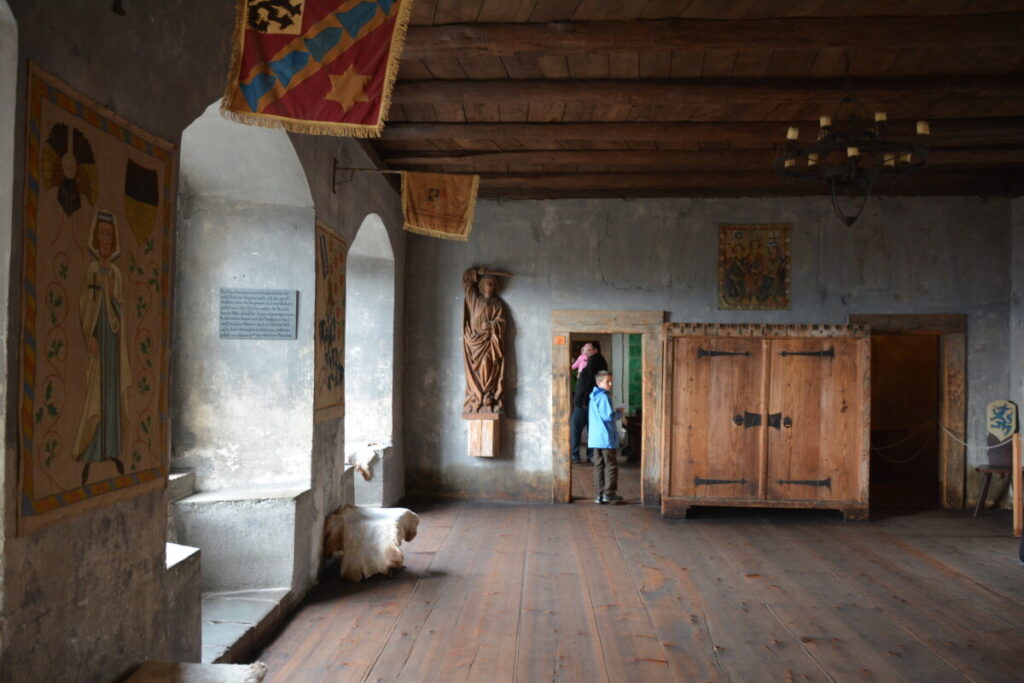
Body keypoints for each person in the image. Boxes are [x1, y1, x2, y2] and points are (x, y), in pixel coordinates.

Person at [73, 208, 132, 485]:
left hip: (114, 339)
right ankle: (91, 452)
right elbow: (85, 305)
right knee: (96, 395)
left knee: (111, 395)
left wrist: (113, 300)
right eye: (102, 234)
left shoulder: (116, 274)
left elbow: (121, 309)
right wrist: (90, 337)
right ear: (96, 238)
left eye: (109, 234)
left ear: (114, 238)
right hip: (99, 340)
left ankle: (111, 451)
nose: (105, 239)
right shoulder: (92, 270)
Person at [462, 266, 510, 415]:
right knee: (476, 369)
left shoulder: (497, 304)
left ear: (495, 286)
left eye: (492, 283)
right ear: (481, 286)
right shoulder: (474, 300)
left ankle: (487, 393)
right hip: (474, 342)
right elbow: (466, 281)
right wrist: (476, 272)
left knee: (488, 364)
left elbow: (502, 322)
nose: (489, 284)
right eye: (487, 282)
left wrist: (490, 325)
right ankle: (477, 396)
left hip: (490, 340)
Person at [588, 370, 626, 504]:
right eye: (607, 382)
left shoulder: (593, 395)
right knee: (611, 465)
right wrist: (620, 413)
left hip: (595, 437)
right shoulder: (604, 396)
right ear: (599, 382)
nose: (610, 384)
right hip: (606, 437)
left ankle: (598, 494)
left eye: (611, 382)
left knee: (598, 465)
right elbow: (608, 417)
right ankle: (609, 493)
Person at [571, 341, 607, 463]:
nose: (585, 351)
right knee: (590, 429)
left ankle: (576, 455)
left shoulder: (594, 361)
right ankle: (590, 455)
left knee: (576, 429)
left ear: (595, 350)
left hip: (584, 402)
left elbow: (589, 383)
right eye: (584, 349)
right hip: (587, 402)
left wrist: (584, 401)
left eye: (588, 349)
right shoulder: (594, 360)